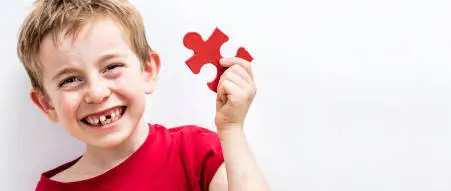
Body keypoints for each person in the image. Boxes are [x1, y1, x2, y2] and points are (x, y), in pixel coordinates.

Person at [16, 0, 269, 190]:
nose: (97, 92)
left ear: (148, 71)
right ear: (47, 104)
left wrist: (232, 128)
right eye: (70, 79)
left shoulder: (197, 152)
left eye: (111, 67)